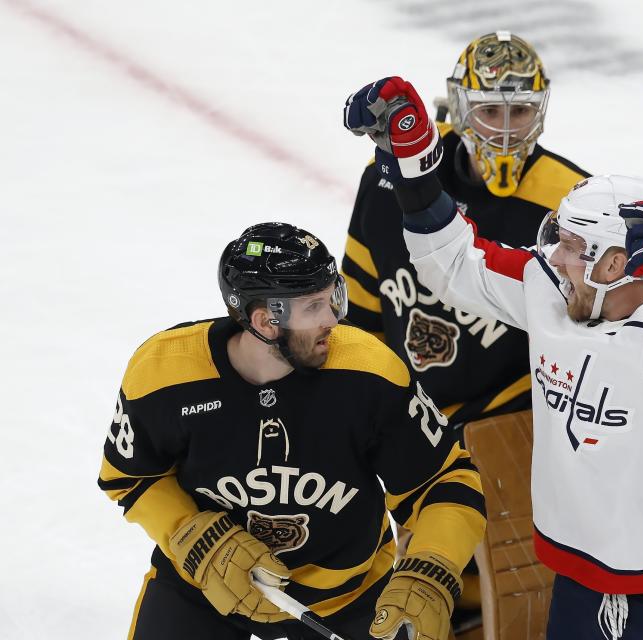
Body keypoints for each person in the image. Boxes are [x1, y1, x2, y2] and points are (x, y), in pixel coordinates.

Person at [344, 79, 643, 639]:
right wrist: (411, 161)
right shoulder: (551, 289)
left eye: (574, 246)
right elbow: (454, 261)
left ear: (616, 263)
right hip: (579, 586)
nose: (556, 254)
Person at [97, 222, 486, 640]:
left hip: (347, 597)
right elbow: (133, 477)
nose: (334, 319)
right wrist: (193, 536)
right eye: (314, 307)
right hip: (205, 585)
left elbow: (446, 481)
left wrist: (430, 568)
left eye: (332, 296)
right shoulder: (163, 373)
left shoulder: (369, 375)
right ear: (265, 321)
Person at [341, 32, 589, 426]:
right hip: (407, 421)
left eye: (521, 110)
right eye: (490, 111)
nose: (505, 130)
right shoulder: (386, 181)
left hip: (514, 421)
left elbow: (591, 340)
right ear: (459, 107)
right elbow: (361, 312)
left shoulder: (571, 203)